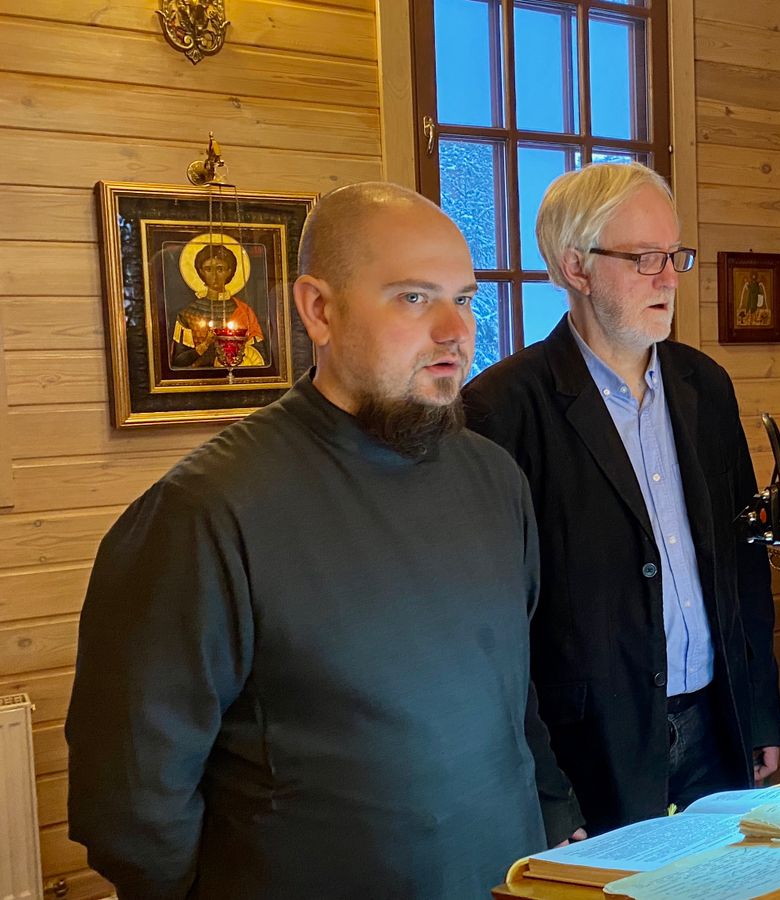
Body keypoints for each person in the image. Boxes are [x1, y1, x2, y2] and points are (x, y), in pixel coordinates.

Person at [67, 183, 571, 899]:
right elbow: (132, 798)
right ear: (319, 310)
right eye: (414, 298)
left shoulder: (493, 478)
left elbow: (514, 696)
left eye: (464, 298)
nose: (455, 331)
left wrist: (554, 816)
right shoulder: (205, 511)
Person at [463, 163, 780, 834]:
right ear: (576, 267)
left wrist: (759, 712)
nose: (669, 279)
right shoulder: (502, 408)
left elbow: (742, 563)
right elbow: (494, 630)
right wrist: (546, 790)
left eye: (674, 255)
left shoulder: (705, 386)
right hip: (589, 746)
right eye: (644, 259)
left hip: (715, 722)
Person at [171, 240, 267, 369]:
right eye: (208, 269)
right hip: (201, 378)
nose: (214, 276)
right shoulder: (188, 314)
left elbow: (259, 357)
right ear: (200, 271)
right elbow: (178, 361)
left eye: (220, 269)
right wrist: (205, 345)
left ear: (229, 271)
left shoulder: (244, 311)